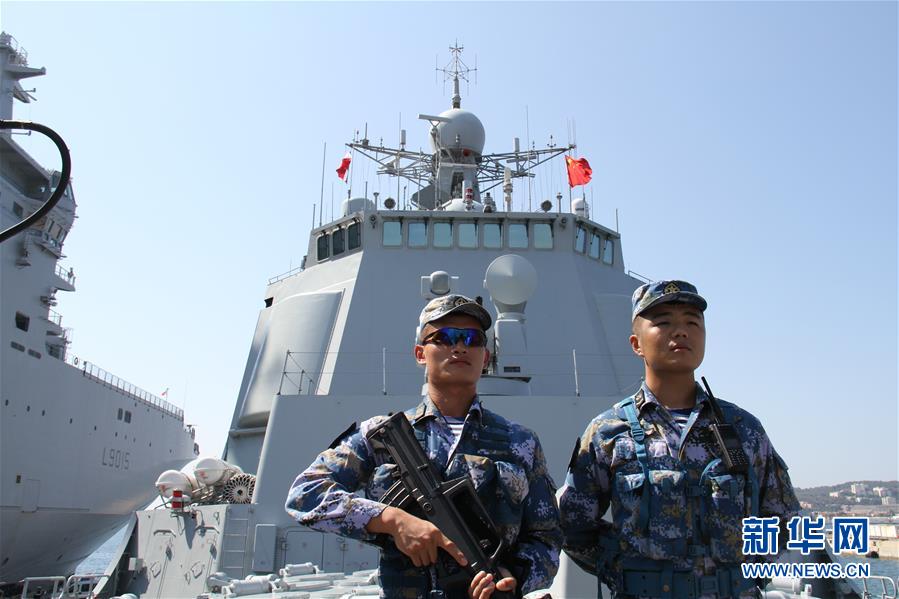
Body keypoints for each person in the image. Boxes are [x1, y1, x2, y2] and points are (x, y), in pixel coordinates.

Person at [286, 294, 561, 599]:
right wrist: (392, 521)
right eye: (443, 337)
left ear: (485, 357)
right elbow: (305, 495)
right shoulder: (380, 436)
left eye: (472, 338)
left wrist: (514, 575)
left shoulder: (520, 443)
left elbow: (547, 537)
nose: (459, 346)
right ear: (420, 353)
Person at [560, 280, 799, 598]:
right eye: (664, 322)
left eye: (691, 322)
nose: (681, 331)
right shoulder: (607, 432)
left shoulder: (744, 429)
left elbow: (783, 519)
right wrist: (622, 566)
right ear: (636, 344)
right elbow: (572, 524)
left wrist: (742, 574)